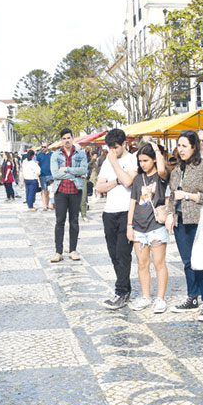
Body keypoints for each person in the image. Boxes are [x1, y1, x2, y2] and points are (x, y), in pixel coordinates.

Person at [166, 130, 203, 321]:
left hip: (199, 220)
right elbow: (172, 195)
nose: (180, 150)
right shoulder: (176, 171)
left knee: (202, 261)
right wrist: (170, 215)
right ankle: (193, 297)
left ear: (194, 147)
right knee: (188, 262)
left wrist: (189, 196)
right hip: (181, 221)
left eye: (184, 146)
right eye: (178, 146)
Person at [94, 130, 139, 309]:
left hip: (126, 211)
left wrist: (114, 164)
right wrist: (115, 182)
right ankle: (124, 288)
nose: (112, 151)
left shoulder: (132, 160)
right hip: (109, 212)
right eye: (110, 148)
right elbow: (99, 187)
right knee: (113, 254)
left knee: (123, 253)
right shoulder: (107, 161)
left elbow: (128, 182)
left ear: (124, 144)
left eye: (115, 147)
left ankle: (121, 291)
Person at [125, 141, 170, 313]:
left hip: (156, 226)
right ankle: (146, 296)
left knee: (159, 263)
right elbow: (133, 202)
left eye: (146, 160)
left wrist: (156, 147)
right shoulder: (138, 179)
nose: (143, 164)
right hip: (139, 226)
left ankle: (160, 298)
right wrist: (129, 225)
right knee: (142, 264)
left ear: (153, 159)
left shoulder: (161, 176)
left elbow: (162, 170)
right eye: (140, 161)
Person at [50, 128, 88, 262]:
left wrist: (66, 169)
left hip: (75, 190)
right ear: (61, 140)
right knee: (59, 222)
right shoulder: (55, 155)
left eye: (69, 138)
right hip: (60, 191)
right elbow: (55, 174)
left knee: (74, 221)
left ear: (73, 138)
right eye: (64, 138)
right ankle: (58, 252)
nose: (67, 140)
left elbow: (84, 170)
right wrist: (74, 174)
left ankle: (73, 250)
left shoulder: (80, 153)